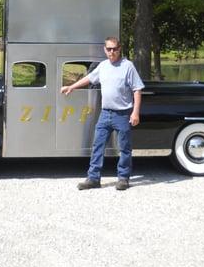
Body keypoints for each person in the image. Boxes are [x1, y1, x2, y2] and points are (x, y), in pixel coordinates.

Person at [60, 37, 145, 191]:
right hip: (105, 114)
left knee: (124, 148)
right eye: (109, 49)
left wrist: (135, 113)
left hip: (123, 115)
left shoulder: (128, 66)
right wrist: (72, 87)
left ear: (119, 49)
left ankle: (123, 178)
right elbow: (89, 78)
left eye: (114, 49)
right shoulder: (103, 66)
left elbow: (137, 89)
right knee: (97, 146)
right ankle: (93, 179)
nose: (111, 52)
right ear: (104, 49)